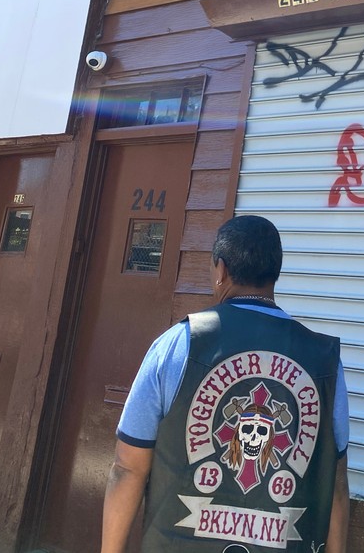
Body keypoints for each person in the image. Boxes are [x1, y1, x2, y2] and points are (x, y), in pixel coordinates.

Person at [101, 215, 350, 553]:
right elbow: (334, 484)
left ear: (220, 270)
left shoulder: (178, 344)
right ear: (275, 274)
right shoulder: (325, 361)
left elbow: (128, 467)